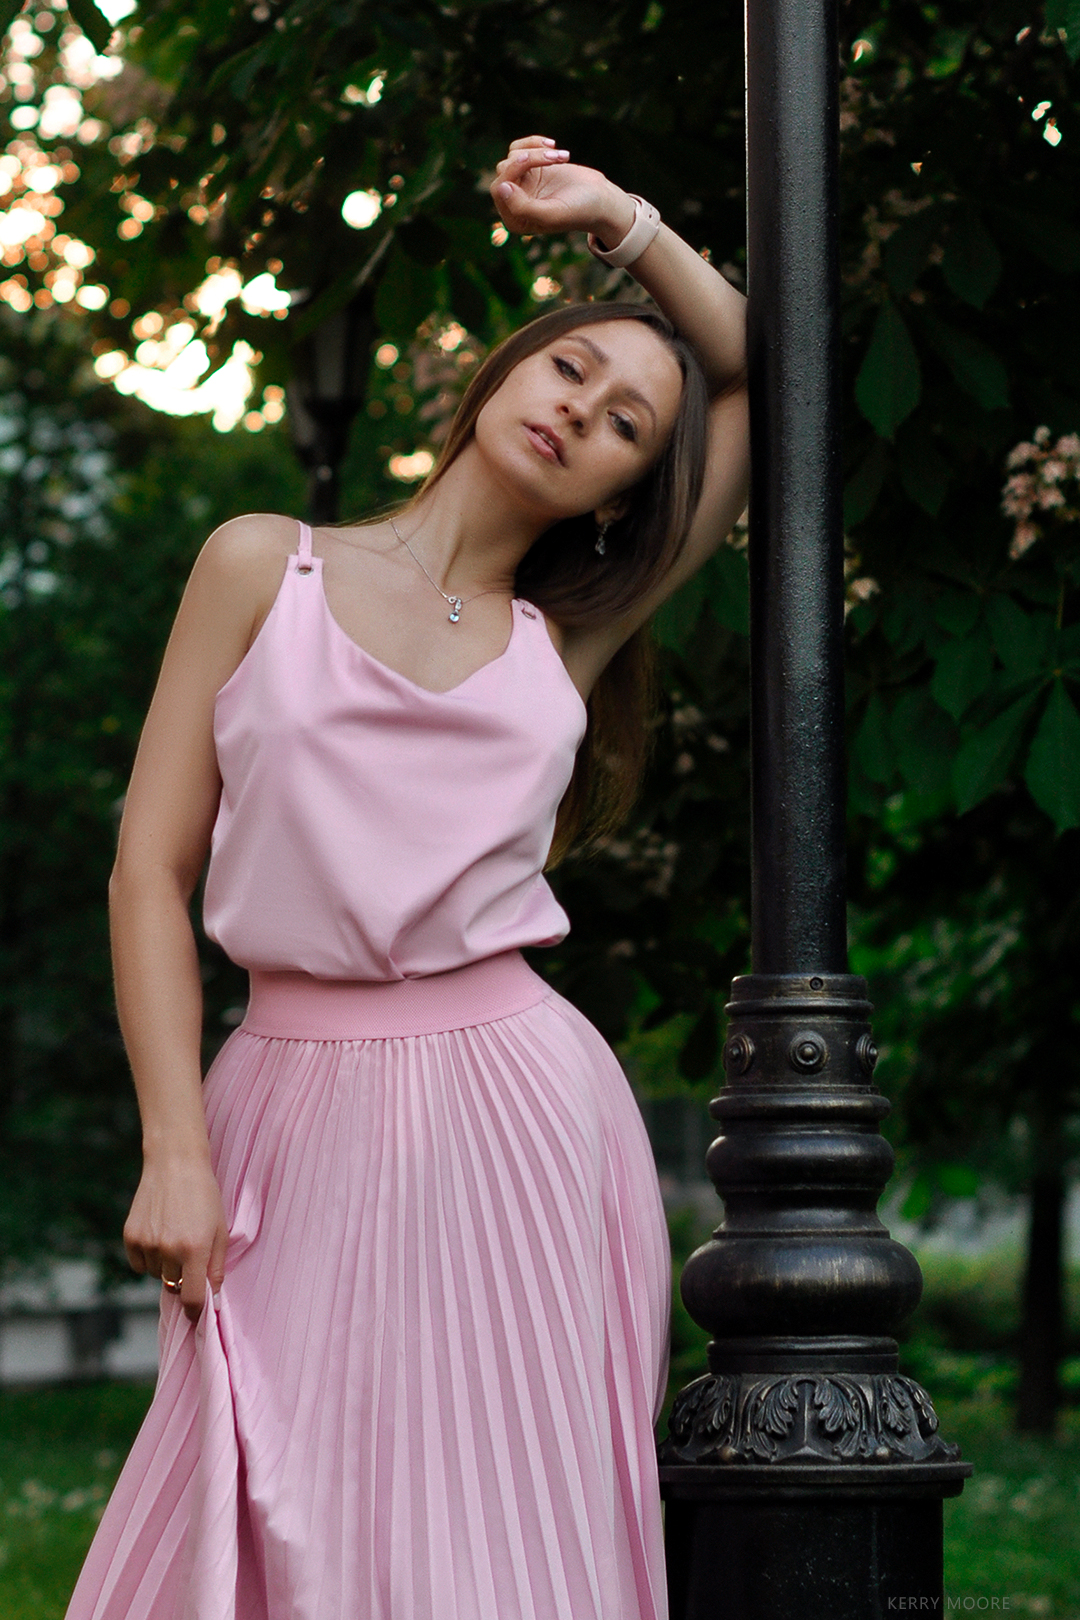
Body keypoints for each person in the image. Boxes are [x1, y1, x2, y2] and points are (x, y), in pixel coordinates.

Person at [66, 137, 748, 1620]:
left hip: (522, 1123)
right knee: (268, 1516)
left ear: (633, 489)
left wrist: (618, 221)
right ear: (507, 370)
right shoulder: (263, 563)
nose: (582, 411)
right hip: (282, 1110)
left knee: (511, 1539)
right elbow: (147, 869)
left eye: (627, 419)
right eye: (571, 372)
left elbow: (757, 371)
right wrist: (174, 1144)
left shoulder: (561, 643)